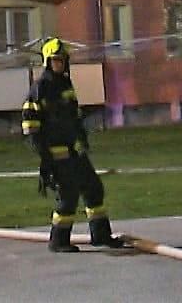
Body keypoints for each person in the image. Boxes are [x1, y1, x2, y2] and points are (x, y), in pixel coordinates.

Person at [21, 39, 125, 253]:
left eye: (62, 60)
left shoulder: (66, 85)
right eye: (55, 60)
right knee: (68, 195)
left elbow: (74, 115)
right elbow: (30, 125)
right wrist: (45, 158)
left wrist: (82, 138)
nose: (59, 64)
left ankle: (101, 235)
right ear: (47, 62)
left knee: (93, 187)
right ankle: (58, 240)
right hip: (55, 154)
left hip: (74, 150)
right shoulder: (40, 89)